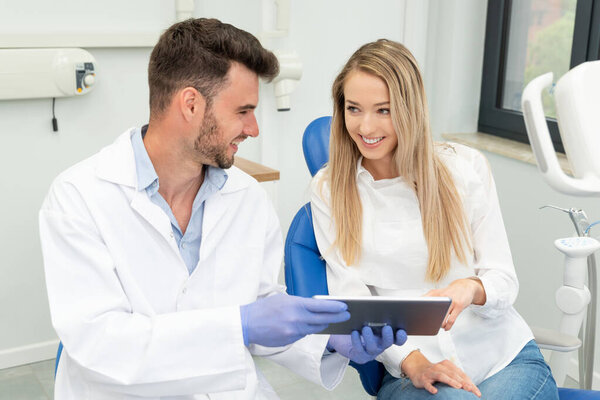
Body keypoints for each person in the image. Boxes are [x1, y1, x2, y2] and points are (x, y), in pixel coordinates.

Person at [39, 19, 406, 399]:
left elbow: (261, 312)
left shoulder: (246, 197)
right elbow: (99, 344)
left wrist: (327, 344)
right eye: (243, 111)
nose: (254, 129)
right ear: (191, 104)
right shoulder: (78, 198)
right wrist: (239, 325)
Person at [310, 39, 559, 399]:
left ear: (410, 109)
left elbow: (503, 278)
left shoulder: (464, 168)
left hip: (503, 357)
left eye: (384, 110)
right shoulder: (329, 190)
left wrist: (471, 289)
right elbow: (352, 297)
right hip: (411, 368)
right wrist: (411, 361)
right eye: (354, 109)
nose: (366, 126)